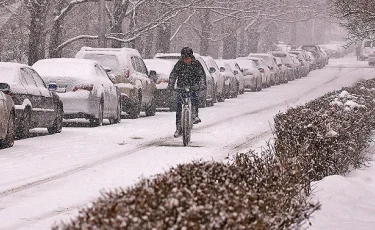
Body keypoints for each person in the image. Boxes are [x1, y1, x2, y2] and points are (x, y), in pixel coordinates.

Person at [168, 47, 207, 138]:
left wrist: (202, 85)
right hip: (182, 86)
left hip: (193, 86)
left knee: (194, 98)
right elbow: (173, 75)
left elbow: (202, 75)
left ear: (191, 57)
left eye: (188, 58)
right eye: (185, 58)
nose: (187, 60)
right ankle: (178, 127)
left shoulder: (196, 64)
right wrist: (171, 85)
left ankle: (194, 114)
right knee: (179, 106)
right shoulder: (179, 64)